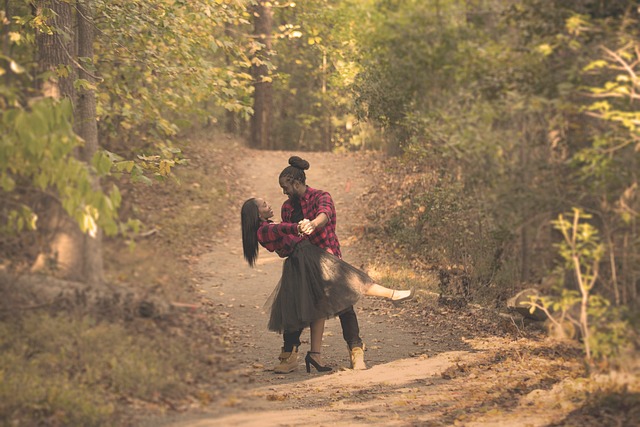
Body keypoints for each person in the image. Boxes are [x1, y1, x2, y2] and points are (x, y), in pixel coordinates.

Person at [241, 197, 414, 373]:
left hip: (305, 259)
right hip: (306, 259)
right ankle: (392, 295)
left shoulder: (268, 225)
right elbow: (280, 228)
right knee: (347, 281)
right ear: (257, 214)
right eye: (264, 205)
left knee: (320, 302)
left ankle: (313, 354)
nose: (268, 205)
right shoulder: (263, 230)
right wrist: (298, 227)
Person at [274, 156, 414, 373]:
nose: (284, 192)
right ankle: (289, 355)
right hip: (300, 264)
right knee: (297, 306)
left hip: (327, 259)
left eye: (285, 187)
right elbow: (288, 235)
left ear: (296, 182)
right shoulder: (286, 208)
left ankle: (356, 351)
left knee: (344, 305)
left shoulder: (321, 196)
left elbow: (325, 215)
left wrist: (312, 224)